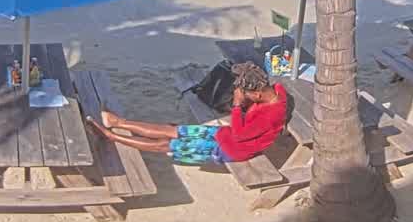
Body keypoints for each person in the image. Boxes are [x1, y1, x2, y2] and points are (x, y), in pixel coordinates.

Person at [95, 62, 290, 166]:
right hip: (225, 134)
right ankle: (118, 122)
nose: (240, 95)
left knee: (167, 144)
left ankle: (112, 137)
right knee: (173, 130)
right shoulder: (275, 91)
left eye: (245, 93)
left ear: (257, 94)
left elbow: (240, 135)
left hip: (230, 148)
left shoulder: (270, 115)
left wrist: (238, 105)